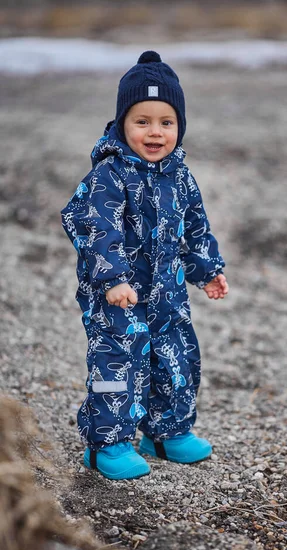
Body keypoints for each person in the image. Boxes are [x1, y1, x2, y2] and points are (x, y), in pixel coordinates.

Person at [61, 50, 228, 480]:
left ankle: (166, 431)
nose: (155, 132)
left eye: (166, 122)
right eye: (142, 121)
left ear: (178, 127)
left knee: (175, 358)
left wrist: (207, 268)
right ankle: (107, 444)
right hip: (119, 295)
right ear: (122, 123)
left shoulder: (180, 176)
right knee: (119, 361)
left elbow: (194, 227)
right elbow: (95, 227)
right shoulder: (109, 175)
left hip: (167, 292)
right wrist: (112, 277)